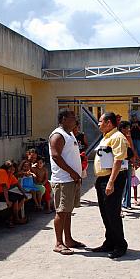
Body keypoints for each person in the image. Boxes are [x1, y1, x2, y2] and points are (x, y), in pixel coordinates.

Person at [92, 112, 129, 259]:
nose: (98, 124)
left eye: (100, 121)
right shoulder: (107, 137)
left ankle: (120, 245)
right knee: (105, 213)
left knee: (113, 213)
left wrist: (111, 182)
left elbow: (118, 161)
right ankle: (110, 241)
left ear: (108, 122)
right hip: (102, 179)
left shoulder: (117, 137)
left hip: (112, 179)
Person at [49, 109, 84, 255]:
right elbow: (56, 157)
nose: (75, 120)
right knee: (61, 211)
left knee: (68, 211)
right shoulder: (58, 135)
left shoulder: (70, 134)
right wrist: (72, 173)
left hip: (72, 179)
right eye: (72, 117)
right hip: (63, 180)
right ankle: (58, 243)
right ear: (63, 119)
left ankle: (68, 239)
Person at [0, 160, 27, 227]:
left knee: (21, 198)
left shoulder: (10, 174)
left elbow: (17, 184)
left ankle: (11, 218)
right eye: (10, 169)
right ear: (6, 167)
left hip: (3, 192)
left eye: (13, 170)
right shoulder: (2, 172)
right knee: (14, 200)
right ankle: (16, 219)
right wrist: (7, 201)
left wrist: (24, 194)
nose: (12, 171)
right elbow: (4, 187)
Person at [118, 120, 139, 210]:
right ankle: (119, 204)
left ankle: (126, 203)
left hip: (128, 162)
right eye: (127, 128)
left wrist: (135, 160)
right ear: (122, 128)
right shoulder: (117, 137)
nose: (129, 129)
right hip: (119, 162)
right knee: (120, 184)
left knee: (128, 182)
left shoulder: (128, 137)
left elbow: (132, 149)